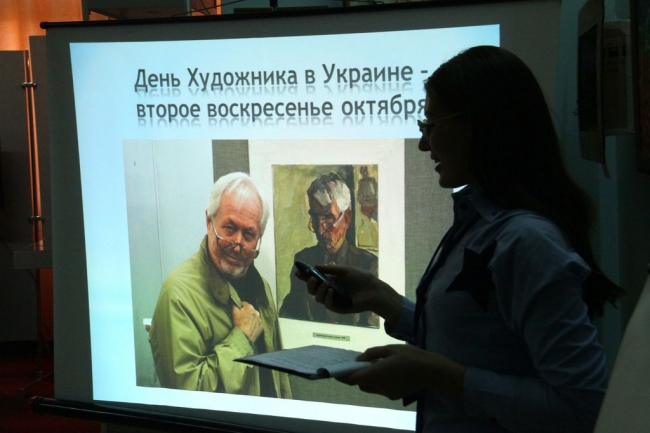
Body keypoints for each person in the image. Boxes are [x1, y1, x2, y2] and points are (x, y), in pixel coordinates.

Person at [296, 46, 624, 432]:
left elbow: (584, 411)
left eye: (432, 125)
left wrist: (438, 375)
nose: (424, 143)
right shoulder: (479, 221)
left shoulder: (529, 242)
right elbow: (475, 341)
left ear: (480, 125)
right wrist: (383, 299)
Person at [149, 172, 291, 398]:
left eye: (248, 234)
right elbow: (188, 395)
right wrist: (242, 338)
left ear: (259, 238)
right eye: (230, 228)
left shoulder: (260, 286)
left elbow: (276, 377)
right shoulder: (178, 294)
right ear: (209, 222)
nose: (238, 244)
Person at [280, 171, 379, 327]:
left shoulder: (369, 266)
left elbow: (371, 329)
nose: (320, 230)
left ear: (347, 219)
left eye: (328, 217)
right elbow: (290, 315)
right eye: (315, 218)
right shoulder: (303, 260)